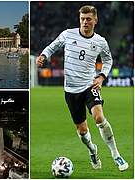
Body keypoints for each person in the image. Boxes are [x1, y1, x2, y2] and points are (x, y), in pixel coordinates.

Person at [35, 5, 128, 171]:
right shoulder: (67, 34)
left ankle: (116, 155)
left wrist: (101, 77)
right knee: (82, 130)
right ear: (79, 20)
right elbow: (52, 47)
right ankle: (93, 151)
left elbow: (108, 60)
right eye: (82, 19)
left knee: (99, 117)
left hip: (89, 85)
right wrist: (43, 55)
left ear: (95, 20)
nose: (85, 22)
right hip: (71, 91)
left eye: (88, 19)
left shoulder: (100, 41)